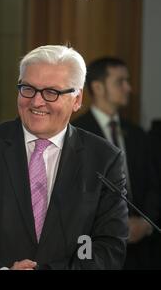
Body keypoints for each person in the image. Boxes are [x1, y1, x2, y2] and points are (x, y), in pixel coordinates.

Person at [0, 45, 129, 270]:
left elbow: (109, 246)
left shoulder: (104, 158)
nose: (37, 102)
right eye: (27, 89)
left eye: (51, 92)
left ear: (77, 99)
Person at [73, 57, 160, 269]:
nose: (128, 88)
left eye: (127, 81)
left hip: (140, 251)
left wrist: (145, 224)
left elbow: (154, 185)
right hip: (94, 250)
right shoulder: (75, 134)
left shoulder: (138, 134)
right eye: (120, 82)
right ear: (98, 87)